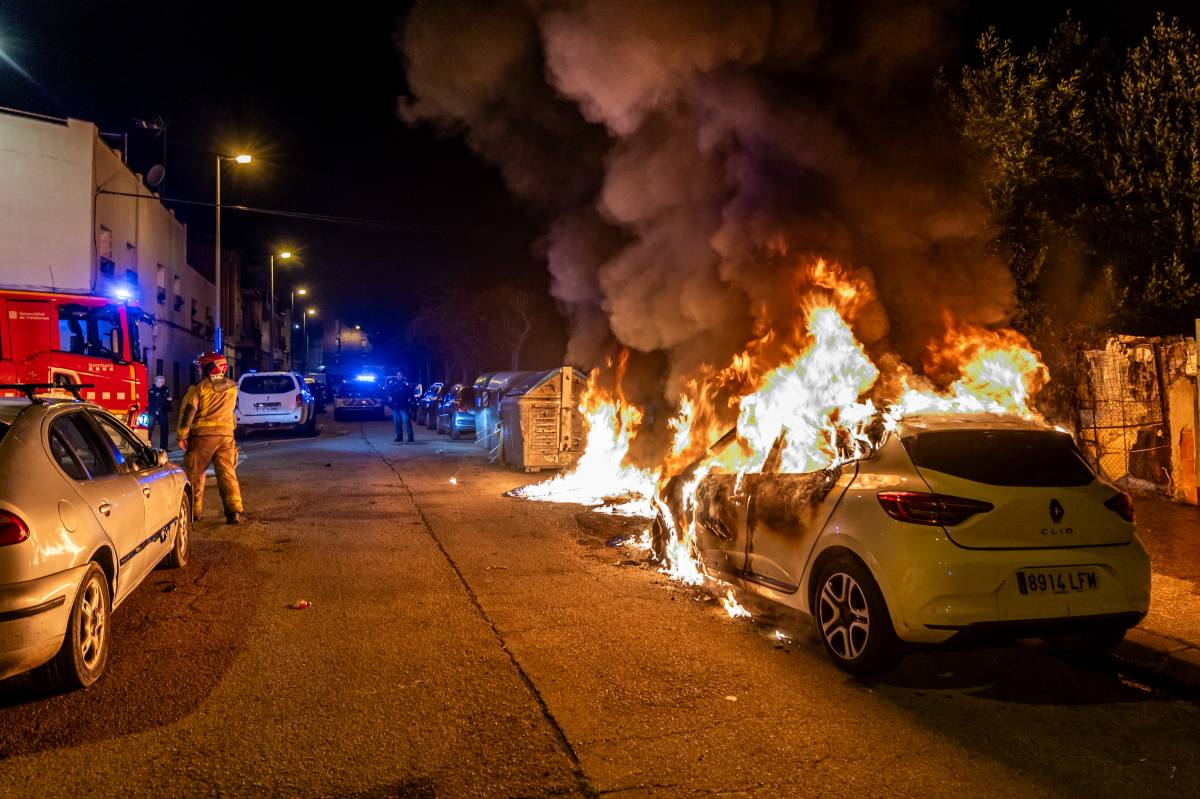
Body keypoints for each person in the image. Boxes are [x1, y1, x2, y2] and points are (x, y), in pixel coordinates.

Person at [177, 352, 244, 524]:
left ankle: (193, 512)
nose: (199, 370)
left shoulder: (198, 387)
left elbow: (188, 413)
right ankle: (234, 512)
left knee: (195, 475)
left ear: (209, 367)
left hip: (202, 437)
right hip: (226, 437)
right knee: (228, 474)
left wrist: (182, 435)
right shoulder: (233, 387)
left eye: (201, 366)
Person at [386, 371, 415, 442]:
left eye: (400, 375)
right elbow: (389, 393)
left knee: (406, 421)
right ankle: (399, 437)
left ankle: (410, 437)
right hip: (395, 406)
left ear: (403, 376)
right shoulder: (394, 385)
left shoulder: (406, 385)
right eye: (397, 375)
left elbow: (411, 394)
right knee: (397, 422)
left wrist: (410, 401)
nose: (399, 376)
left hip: (403, 406)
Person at [147, 375, 173, 451]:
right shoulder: (151, 390)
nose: (162, 383)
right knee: (149, 430)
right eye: (160, 381)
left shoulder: (165, 389)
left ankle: (164, 447)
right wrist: (165, 399)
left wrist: (169, 399)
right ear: (156, 381)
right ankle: (147, 446)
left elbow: (167, 398)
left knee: (165, 429)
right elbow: (151, 401)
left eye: (163, 382)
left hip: (162, 412)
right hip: (153, 412)